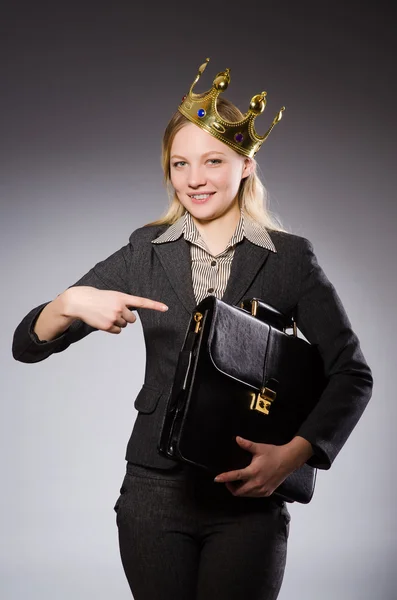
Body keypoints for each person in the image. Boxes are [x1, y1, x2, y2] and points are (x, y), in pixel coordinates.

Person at [12, 58, 373, 600]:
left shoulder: (291, 260)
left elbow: (352, 374)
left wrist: (294, 454)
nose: (194, 178)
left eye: (212, 161)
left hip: (248, 498)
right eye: (180, 163)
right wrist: (70, 302)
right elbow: (26, 345)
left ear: (245, 165)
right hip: (154, 495)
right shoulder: (144, 251)